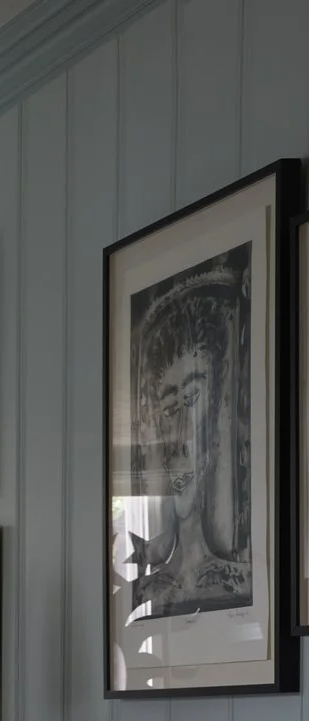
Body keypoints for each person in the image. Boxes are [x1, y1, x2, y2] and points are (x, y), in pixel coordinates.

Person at [127, 256, 251, 618]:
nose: (179, 436)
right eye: (168, 411)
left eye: (191, 399)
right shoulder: (140, 592)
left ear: (217, 410)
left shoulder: (242, 582)